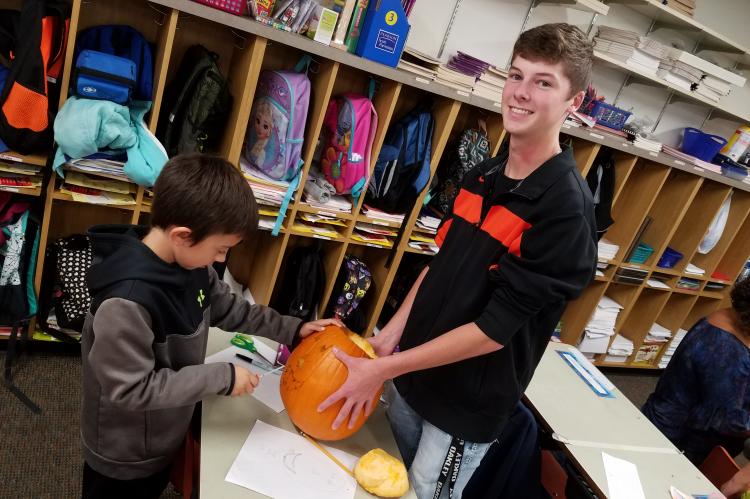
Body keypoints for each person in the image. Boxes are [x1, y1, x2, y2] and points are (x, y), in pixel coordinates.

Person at [317, 23, 598, 498]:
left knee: (426, 490)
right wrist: (390, 338)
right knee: (386, 475)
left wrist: (387, 368)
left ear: (576, 101)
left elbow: (493, 331)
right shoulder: (481, 174)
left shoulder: (565, 213)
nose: (520, 94)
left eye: (543, 82)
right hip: (411, 372)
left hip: (466, 404)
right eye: (516, 75)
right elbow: (437, 267)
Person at [80, 154, 340, 499]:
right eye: (220, 249)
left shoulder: (191, 264)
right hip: (125, 453)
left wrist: (293, 330)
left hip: (163, 430)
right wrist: (221, 377)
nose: (222, 260)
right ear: (183, 236)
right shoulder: (125, 305)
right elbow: (132, 390)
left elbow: (229, 309)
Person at [642, 278, 750, 466]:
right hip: (677, 444)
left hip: (668, 425)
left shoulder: (729, 317)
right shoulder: (726, 348)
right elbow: (727, 420)